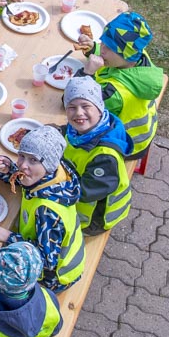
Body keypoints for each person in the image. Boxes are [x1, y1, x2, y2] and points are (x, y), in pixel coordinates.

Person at [0, 126, 85, 293]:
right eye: (21, 156)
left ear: (49, 164)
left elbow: (45, 261)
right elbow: (23, 180)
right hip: (53, 256)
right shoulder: (52, 177)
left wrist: (8, 237)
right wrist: (7, 169)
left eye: (33, 160)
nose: (23, 166)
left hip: (54, 277)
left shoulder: (47, 211)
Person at [59, 77, 133, 234]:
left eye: (86, 106)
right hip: (75, 188)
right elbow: (64, 133)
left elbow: (85, 192)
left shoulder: (105, 156)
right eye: (71, 107)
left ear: (99, 108)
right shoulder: (77, 132)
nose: (79, 113)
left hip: (93, 218)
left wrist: (47, 183)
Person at [84, 11, 164, 156]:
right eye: (103, 42)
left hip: (126, 143)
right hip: (144, 130)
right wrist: (93, 49)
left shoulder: (114, 93)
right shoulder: (138, 56)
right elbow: (113, 55)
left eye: (109, 48)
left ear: (126, 55)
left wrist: (86, 74)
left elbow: (82, 102)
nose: (102, 48)